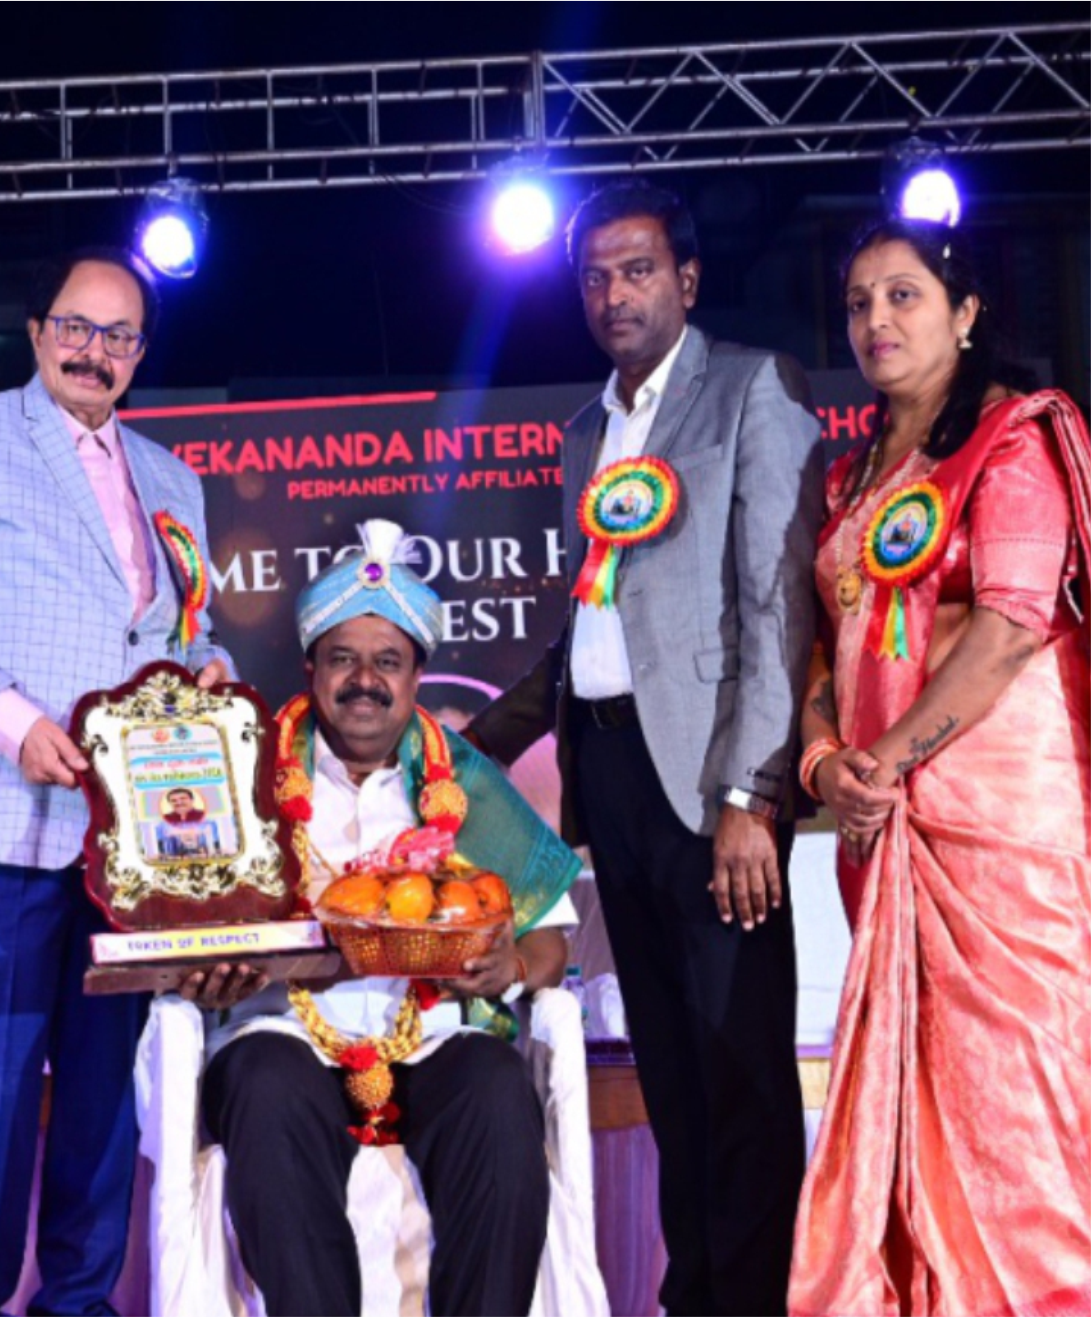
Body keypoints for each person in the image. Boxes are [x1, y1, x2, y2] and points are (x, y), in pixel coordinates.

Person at [467, 180, 819, 1317]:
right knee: (668, 1064)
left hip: (712, 786)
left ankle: (752, 1300)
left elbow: (776, 606)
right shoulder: (586, 432)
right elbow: (591, 628)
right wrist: (469, 739)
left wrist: (750, 794)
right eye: (594, 277)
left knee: (739, 1065)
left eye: (636, 270)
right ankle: (692, 1294)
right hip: (612, 779)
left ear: (687, 279)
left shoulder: (749, 390)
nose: (613, 294)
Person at [0, 246, 232, 1317]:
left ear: (140, 353)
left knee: (102, 1104)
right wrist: (12, 722)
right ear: (35, 333)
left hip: (129, 848)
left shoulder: (173, 479)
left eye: (118, 335)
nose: (93, 352)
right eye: (75, 327)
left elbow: (179, 628)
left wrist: (205, 669)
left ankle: (78, 1303)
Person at [789, 222, 1091, 1316]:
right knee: (914, 1096)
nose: (875, 320)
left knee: (1013, 1094)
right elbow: (824, 653)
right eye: (858, 302)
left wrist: (880, 760)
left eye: (903, 295)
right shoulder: (848, 476)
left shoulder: (1014, 438)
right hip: (885, 825)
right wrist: (825, 763)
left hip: (1001, 827)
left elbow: (1009, 628)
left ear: (964, 313)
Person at [181, 518, 581, 1317]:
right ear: (310, 667)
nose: (364, 680)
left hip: (431, 1036)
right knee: (265, 1084)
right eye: (343, 659)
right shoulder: (245, 773)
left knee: (499, 1095)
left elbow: (550, 936)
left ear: (417, 674)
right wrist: (204, 971)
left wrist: (510, 968)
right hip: (281, 1033)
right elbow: (187, 927)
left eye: (387, 662)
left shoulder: (465, 782)